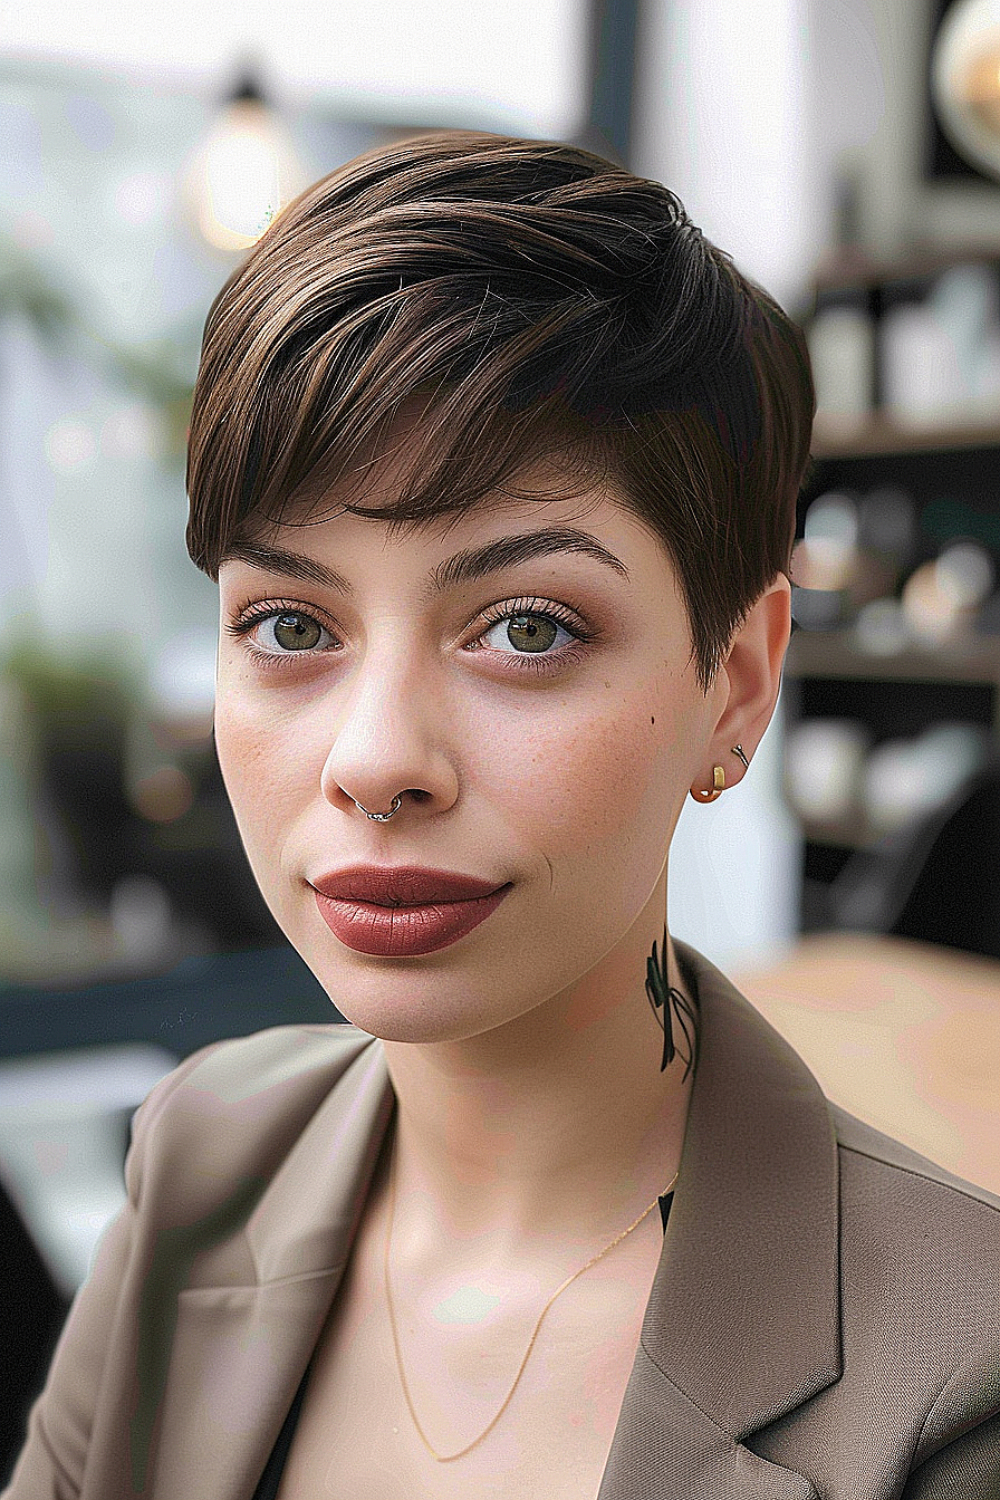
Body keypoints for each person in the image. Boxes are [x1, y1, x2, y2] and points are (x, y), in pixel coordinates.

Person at [5, 130, 999, 1500]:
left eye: (526, 628)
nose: (376, 761)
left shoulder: (956, 1387)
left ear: (737, 682)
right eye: (290, 622)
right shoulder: (204, 1161)